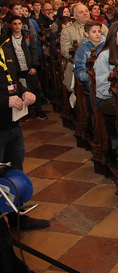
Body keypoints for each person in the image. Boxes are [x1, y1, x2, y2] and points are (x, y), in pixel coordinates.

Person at [0, 37, 50, 230]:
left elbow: (11, 81)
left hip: (13, 123)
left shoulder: (5, 48)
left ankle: (17, 218)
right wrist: (5, 101)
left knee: (14, 173)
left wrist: (23, 92)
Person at [2, 15, 46, 120]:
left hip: (29, 66)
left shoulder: (27, 36)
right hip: (17, 68)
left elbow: (34, 51)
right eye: (14, 24)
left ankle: (38, 110)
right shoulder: (7, 39)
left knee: (34, 88)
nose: (17, 26)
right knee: (19, 90)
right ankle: (23, 112)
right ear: (10, 25)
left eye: (19, 24)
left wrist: (34, 66)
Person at [74, 21, 105, 89]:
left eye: (99, 31)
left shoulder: (106, 46)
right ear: (86, 34)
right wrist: (89, 76)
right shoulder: (82, 49)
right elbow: (79, 69)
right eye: (94, 32)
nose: (97, 34)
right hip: (91, 79)